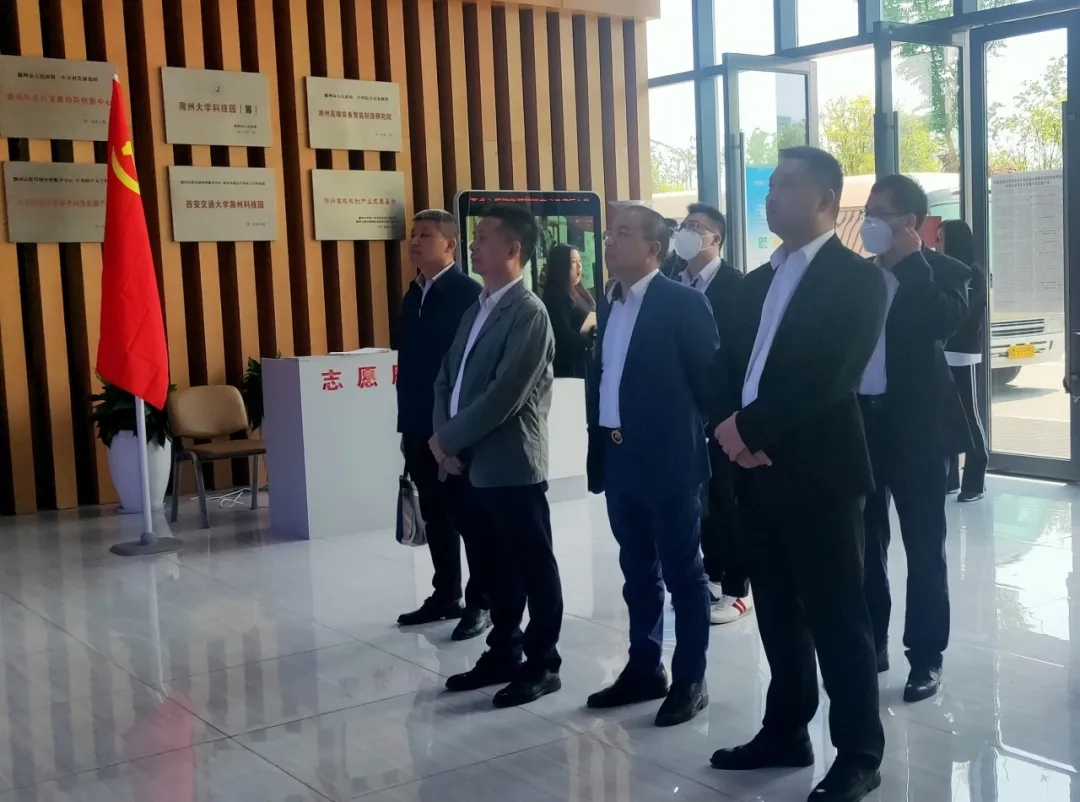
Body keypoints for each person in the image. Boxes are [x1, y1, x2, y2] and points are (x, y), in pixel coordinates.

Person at [710, 146, 886, 802]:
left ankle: (859, 754)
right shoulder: (755, 283)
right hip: (754, 473)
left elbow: (829, 379)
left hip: (820, 476)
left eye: (786, 185)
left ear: (825, 201)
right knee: (779, 612)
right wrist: (730, 432)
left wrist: (750, 432)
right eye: (770, 186)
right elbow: (725, 368)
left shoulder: (857, 280)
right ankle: (785, 730)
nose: (771, 196)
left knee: (837, 617)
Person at [585, 205, 718, 727]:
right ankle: (644, 668)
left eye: (623, 234)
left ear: (653, 249)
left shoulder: (682, 303)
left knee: (684, 574)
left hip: (669, 462)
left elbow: (708, 384)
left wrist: (679, 437)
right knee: (637, 572)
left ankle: (690, 679)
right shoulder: (608, 301)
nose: (610, 242)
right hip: (619, 457)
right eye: (609, 233)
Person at [431, 204, 563, 709]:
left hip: (511, 464)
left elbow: (504, 395)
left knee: (532, 566)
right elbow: (447, 377)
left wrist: (449, 441)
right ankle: (503, 651)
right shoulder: (478, 307)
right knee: (491, 566)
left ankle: (543, 662)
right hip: (467, 464)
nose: (474, 244)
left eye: (484, 237)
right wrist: (444, 440)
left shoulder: (529, 313)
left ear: (513, 249)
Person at [857, 176, 972, 705]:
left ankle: (926, 656)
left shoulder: (947, 272)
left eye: (879, 213)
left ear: (909, 222)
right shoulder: (858, 276)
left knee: (925, 548)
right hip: (862, 425)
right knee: (865, 545)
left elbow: (941, 325)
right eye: (868, 211)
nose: (869, 221)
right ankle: (872, 643)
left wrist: (911, 263)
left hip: (918, 430)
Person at [395, 209, 490, 640]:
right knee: (435, 514)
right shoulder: (413, 294)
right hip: (417, 424)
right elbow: (410, 366)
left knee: (469, 516)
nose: (415, 242)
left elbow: (470, 370)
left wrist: (456, 432)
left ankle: (482, 601)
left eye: (426, 235)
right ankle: (445, 594)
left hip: (453, 428)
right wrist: (407, 425)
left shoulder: (468, 294)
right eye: (413, 235)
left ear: (450, 244)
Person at [672, 202, 751, 625]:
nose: (686, 231)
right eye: (684, 225)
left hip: (723, 411)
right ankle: (713, 576)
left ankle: (739, 588)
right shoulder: (674, 282)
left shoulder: (734, 286)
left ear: (715, 238)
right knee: (699, 501)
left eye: (695, 226)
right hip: (684, 412)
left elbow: (738, 352)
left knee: (727, 500)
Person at [941, 219, 989, 502]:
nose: (937, 243)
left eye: (942, 238)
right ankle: (950, 479)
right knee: (945, 415)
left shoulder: (973, 273)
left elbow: (964, 313)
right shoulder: (942, 269)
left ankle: (975, 481)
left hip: (963, 352)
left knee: (969, 415)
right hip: (941, 352)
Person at [542, 244, 597, 379]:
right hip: (569, 368)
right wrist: (590, 342)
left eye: (580, 261)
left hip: (583, 361)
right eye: (573, 262)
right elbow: (563, 333)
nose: (579, 266)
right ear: (561, 266)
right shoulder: (556, 296)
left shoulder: (579, 291)